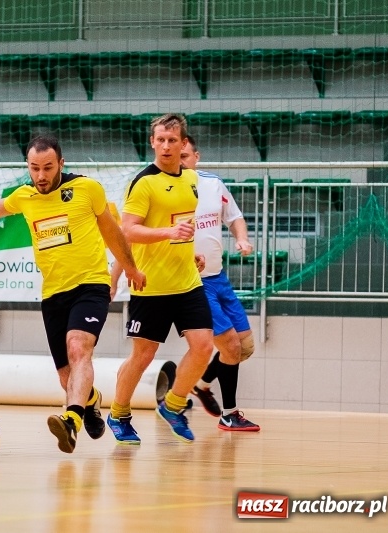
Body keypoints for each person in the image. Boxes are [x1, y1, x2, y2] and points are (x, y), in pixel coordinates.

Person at [0, 134, 146, 454]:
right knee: (67, 380)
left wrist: (130, 268)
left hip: (91, 285)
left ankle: (71, 420)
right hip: (53, 293)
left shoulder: (87, 190)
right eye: (34, 168)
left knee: (79, 348)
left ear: (61, 164)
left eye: (48, 168)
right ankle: (91, 401)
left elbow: (111, 231)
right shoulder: (25, 196)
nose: (41, 176)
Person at [108, 113, 213, 444]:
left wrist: (188, 251)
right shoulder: (144, 182)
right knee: (143, 356)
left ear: (184, 144)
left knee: (203, 346)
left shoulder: (191, 180)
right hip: (150, 285)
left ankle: (174, 404)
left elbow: (181, 225)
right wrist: (169, 234)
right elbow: (128, 230)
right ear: (152, 142)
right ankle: (118, 413)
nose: (166, 146)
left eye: (173, 140)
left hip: (186, 282)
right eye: (160, 140)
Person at [180, 136, 260, 431]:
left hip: (219, 277)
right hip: (194, 283)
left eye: (185, 155)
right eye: (176, 156)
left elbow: (235, 216)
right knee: (230, 347)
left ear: (196, 157)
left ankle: (201, 385)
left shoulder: (212, 184)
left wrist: (242, 238)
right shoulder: (164, 190)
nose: (180, 161)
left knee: (245, 347)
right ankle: (230, 414)